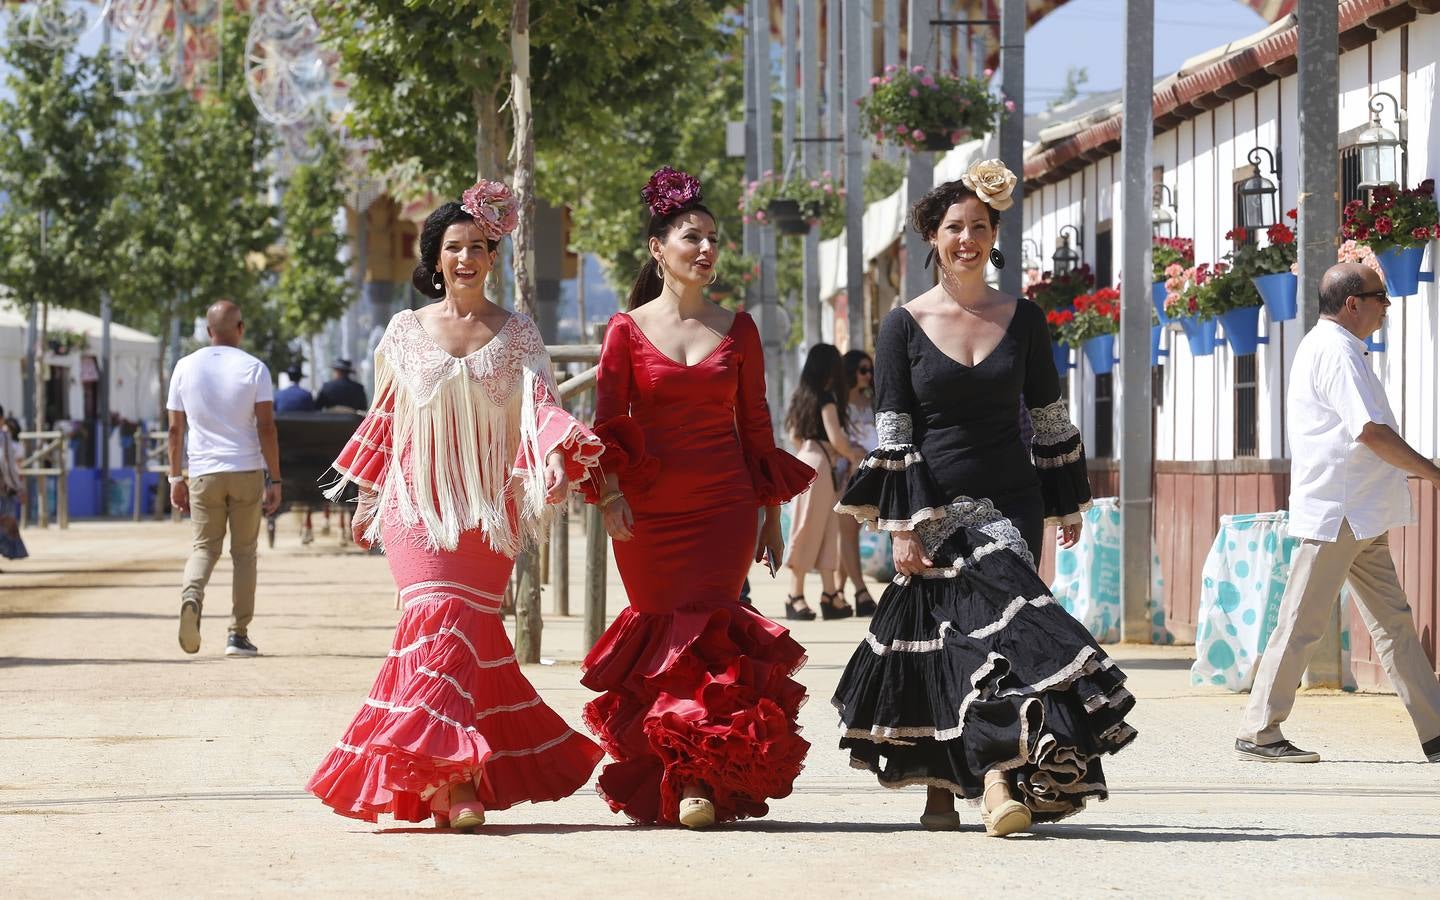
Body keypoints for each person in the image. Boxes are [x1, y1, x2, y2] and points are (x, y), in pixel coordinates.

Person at [832, 161, 1136, 837]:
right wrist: (904, 526)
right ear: (933, 240)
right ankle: (944, 789)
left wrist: (1064, 505)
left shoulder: (1025, 317)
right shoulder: (901, 325)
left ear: (994, 234)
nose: (965, 238)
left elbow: (1050, 416)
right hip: (932, 509)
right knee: (943, 646)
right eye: (952, 228)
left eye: (977, 226)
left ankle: (997, 782)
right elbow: (894, 431)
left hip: (1010, 505)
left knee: (1000, 644)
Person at [306, 181, 605, 830]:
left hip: (484, 516)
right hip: (415, 511)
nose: (466, 257)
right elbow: (385, 417)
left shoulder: (519, 332)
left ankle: (450, 780)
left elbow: (542, 409)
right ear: (435, 260)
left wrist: (553, 458)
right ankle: (458, 783)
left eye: (477, 247)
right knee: (435, 626)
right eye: (453, 248)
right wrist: (365, 499)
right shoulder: (404, 331)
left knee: (466, 639)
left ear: (493, 257)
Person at [581, 166, 815, 830]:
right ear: (658, 249)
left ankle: (700, 782)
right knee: (662, 637)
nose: (707, 250)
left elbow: (757, 427)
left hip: (725, 508)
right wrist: (608, 497)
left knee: (711, 638)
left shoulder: (738, 328)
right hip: (648, 516)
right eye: (693, 237)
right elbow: (605, 424)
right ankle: (675, 773)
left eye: (714, 238)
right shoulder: (624, 330)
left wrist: (770, 516)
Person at [1236, 261, 1440, 765]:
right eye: (1380, 297)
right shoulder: (1336, 350)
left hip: (1359, 512)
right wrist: (1432, 472)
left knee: (1394, 623)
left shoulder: (1339, 347)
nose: (1386, 306)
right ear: (1353, 303)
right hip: (1341, 511)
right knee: (1301, 622)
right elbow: (1368, 431)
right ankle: (1259, 732)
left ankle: (1436, 731)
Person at [167, 300, 283, 658]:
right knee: (244, 554)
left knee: (204, 548)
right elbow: (266, 426)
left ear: (208, 331)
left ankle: (192, 593)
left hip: (203, 472)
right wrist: (275, 479)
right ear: (241, 328)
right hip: (246, 470)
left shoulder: (184, 367)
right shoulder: (255, 369)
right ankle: (238, 634)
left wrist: (175, 477)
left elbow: (175, 430)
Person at [782, 342, 863, 621]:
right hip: (820, 463)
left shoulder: (803, 396)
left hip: (808, 458)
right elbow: (837, 437)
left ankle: (829, 594)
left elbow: (793, 435)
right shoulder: (826, 398)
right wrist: (853, 455)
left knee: (824, 529)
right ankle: (796, 595)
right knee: (811, 529)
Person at [833, 348, 878, 616]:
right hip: (846, 473)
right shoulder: (839, 405)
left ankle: (837, 590)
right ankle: (860, 591)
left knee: (852, 534)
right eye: (862, 370)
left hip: (870, 473)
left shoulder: (871, 401)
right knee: (847, 534)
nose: (867, 375)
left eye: (869, 370)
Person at [0, 408, 27, 566]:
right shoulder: (4, 437)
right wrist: (18, 487)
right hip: (4, 489)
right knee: (5, 523)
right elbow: (7, 464)